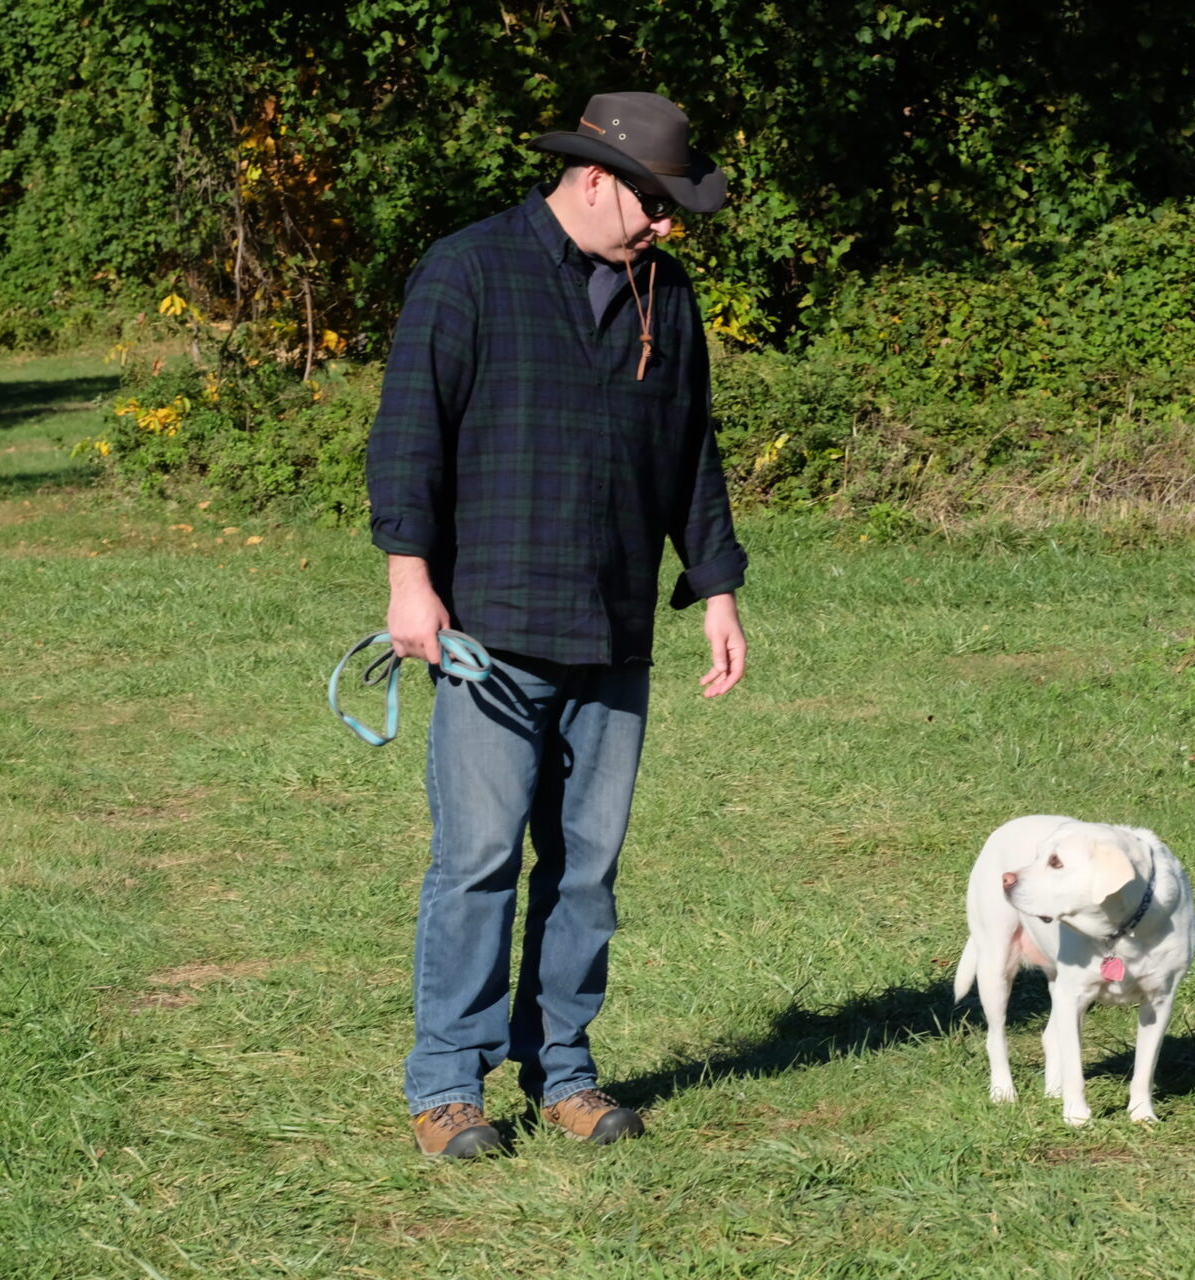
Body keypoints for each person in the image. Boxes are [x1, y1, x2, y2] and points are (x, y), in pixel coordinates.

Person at [365, 91, 748, 1159]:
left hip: (615, 630)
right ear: (592, 179)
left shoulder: (666, 299)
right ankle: (449, 1086)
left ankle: (564, 1070)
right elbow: (408, 434)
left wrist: (714, 585)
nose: (670, 226)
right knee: (479, 859)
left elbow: (691, 452)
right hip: (487, 624)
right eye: (658, 204)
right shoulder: (468, 270)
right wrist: (410, 580)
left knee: (585, 870)